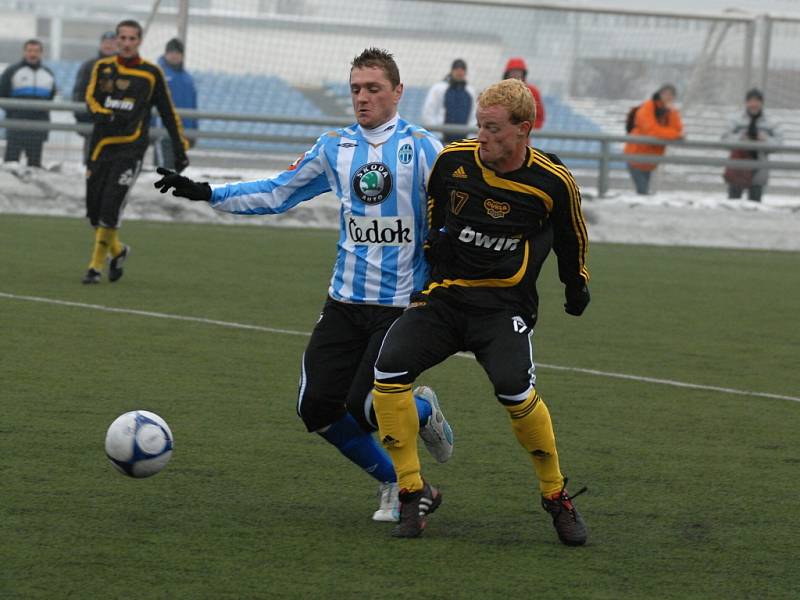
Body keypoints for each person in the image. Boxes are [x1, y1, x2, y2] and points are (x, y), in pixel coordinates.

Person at [153, 48, 452, 523]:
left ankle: (410, 439)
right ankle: (403, 458)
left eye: (373, 88)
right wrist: (209, 192)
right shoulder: (335, 147)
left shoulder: (427, 148)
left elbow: (455, 215)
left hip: (400, 305)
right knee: (316, 408)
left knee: (368, 405)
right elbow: (278, 191)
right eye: (356, 88)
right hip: (344, 302)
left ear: (398, 92)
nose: (362, 97)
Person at [370, 78, 591, 545]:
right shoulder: (454, 162)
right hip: (447, 299)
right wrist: (436, 245)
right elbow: (435, 205)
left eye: (492, 129)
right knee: (388, 375)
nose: (482, 138)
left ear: (523, 130)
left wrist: (576, 287)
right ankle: (411, 494)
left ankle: (556, 497)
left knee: (514, 390)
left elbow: (572, 238)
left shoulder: (553, 182)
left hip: (502, 308)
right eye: (479, 127)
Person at [81, 19, 189, 285]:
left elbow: (167, 112)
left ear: (139, 41)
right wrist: (105, 115)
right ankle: (118, 252)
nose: (127, 43)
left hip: (130, 150)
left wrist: (180, 147)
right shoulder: (102, 68)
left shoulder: (151, 74)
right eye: (123, 38)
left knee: (110, 207)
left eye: (132, 38)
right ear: (117, 40)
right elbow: (91, 99)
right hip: (100, 148)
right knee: (94, 212)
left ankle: (95, 268)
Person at [0, 39, 56, 168]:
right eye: (30, 50)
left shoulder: (48, 74)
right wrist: (14, 114)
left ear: (41, 53)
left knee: (34, 166)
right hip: (16, 125)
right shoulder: (12, 71)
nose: (33, 54)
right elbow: (2, 95)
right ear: (24, 52)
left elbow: (51, 98)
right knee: (11, 164)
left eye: (36, 51)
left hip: (38, 126)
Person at [721, 88, 782, 202]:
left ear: (762, 103)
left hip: (759, 167)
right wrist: (740, 137)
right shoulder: (735, 120)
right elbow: (724, 139)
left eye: (757, 101)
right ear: (746, 102)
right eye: (751, 101)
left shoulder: (770, 122)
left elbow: (779, 143)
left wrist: (765, 139)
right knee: (733, 202)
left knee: (755, 204)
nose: (754, 104)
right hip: (738, 166)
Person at [623, 84, 683, 195]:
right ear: (659, 94)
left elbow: (678, 130)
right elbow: (651, 131)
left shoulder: (669, 112)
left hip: (651, 159)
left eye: (671, 95)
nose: (668, 97)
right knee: (643, 192)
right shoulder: (647, 108)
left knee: (643, 192)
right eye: (665, 94)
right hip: (636, 156)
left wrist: (673, 113)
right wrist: (673, 134)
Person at [72, 31, 118, 165]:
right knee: (91, 161)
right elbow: (79, 92)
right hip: (93, 122)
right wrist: (81, 116)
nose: (108, 46)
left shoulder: (125, 67)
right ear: (101, 44)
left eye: (112, 43)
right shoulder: (89, 66)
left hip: (116, 123)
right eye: (106, 42)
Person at [152, 38, 198, 169]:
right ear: (166, 54)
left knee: (178, 172)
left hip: (183, 133)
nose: (174, 55)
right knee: (163, 171)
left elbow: (193, 105)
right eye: (171, 52)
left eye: (177, 52)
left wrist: (193, 129)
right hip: (164, 131)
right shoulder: (158, 74)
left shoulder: (188, 78)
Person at [421, 58, 477, 144]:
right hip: (442, 140)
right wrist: (436, 136)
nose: (459, 72)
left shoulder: (470, 92)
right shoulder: (438, 89)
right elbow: (428, 112)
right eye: (457, 69)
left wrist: (470, 138)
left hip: (463, 142)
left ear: (465, 72)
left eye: (462, 69)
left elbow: (474, 116)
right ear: (452, 71)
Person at [502, 57, 545, 130]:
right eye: (513, 71)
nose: (515, 74)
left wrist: (528, 129)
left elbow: (539, 116)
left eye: (518, 72)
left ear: (523, 74)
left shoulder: (532, 91)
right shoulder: (500, 90)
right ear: (507, 74)